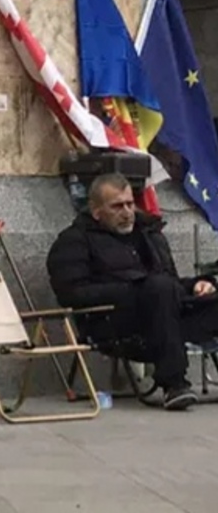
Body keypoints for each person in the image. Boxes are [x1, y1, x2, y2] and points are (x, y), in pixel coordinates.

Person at [47, 172, 218, 411]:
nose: (127, 212)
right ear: (96, 211)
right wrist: (133, 289)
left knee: (197, 293)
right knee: (158, 288)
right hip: (115, 321)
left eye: (130, 204)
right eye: (117, 206)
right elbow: (72, 294)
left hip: (165, 314)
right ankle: (174, 385)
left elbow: (171, 282)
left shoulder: (149, 233)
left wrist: (198, 285)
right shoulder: (74, 241)